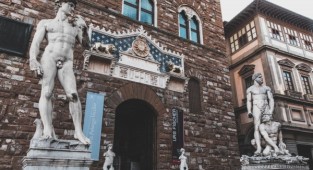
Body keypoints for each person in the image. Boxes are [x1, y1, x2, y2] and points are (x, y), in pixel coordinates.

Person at [29, 0, 90, 144]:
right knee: (47, 92)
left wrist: (85, 29)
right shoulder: (46, 23)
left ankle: (78, 132)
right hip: (49, 57)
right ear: (60, 4)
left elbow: (86, 45)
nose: (72, 7)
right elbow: (36, 43)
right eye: (70, 4)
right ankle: (48, 129)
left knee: (73, 94)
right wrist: (33, 59)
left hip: (67, 61)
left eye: (74, 5)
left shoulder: (75, 26)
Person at [246, 73, 274, 155]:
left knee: (268, 126)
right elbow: (249, 101)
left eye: (262, 77)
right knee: (257, 127)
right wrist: (249, 111)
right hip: (256, 106)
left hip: (266, 106)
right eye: (260, 77)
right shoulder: (250, 89)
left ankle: (270, 146)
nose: (262, 79)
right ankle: (258, 148)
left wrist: (271, 111)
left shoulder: (266, 88)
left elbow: (271, 99)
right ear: (254, 78)